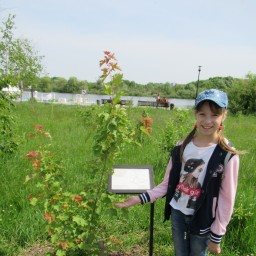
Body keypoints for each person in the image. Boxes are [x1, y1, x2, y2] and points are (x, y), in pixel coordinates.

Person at [115, 89, 241, 256]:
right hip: (178, 214)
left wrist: (217, 235)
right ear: (196, 114)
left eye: (214, 115)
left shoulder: (227, 155)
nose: (208, 121)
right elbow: (168, 183)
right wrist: (139, 198)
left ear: (224, 115)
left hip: (203, 220)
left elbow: (227, 199)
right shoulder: (181, 147)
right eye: (202, 114)